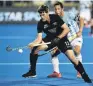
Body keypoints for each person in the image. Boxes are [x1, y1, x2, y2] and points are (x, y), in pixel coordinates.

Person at [22, 5, 92, 83]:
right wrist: (32, 43)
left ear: (47, 12)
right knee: (35, 49)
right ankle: (32, 72)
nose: (42, 16)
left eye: (43, 14)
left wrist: (58, 38)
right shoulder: (40, 23)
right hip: (50, 39)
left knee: (73, 59)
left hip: (62, 39)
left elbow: (66, 29)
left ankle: (84, 75)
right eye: (40, 14)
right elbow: (39, 39)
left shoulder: (55, 17)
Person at [47, 1, 84, 78]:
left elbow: (81, 19)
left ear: (62, 9)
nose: (57, 11)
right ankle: (56, 72)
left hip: (75, 36)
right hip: (65, 39)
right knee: (53, 52)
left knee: (76, 50)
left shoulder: (69, 14)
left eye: (59, 9)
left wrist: (80, 30)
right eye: (55, 9)